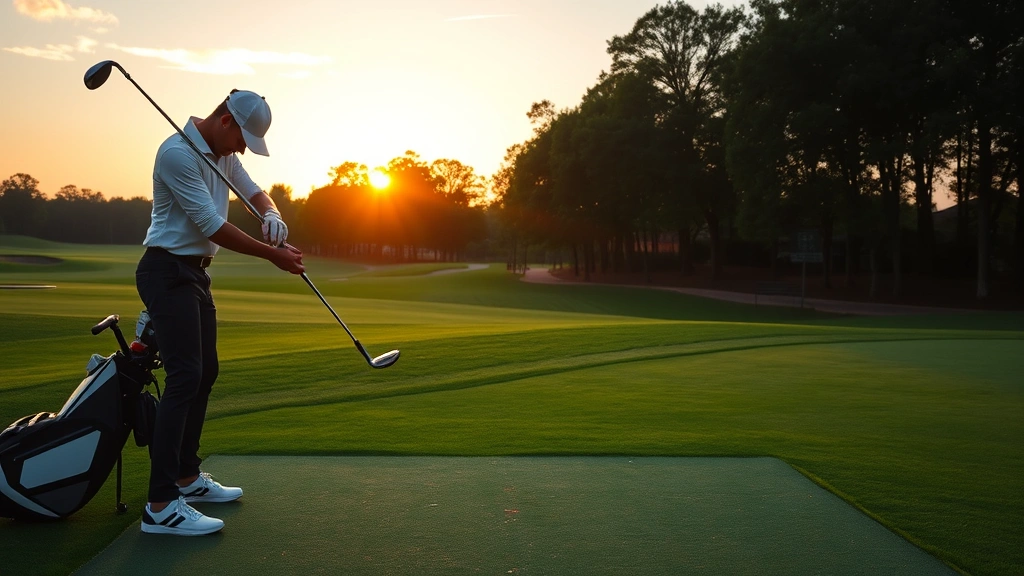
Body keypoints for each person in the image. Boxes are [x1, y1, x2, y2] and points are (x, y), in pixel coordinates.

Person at [134, 89, 304, 535]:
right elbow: (211, 225)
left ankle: (187, 478)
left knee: (205, 372)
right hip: (165, 270)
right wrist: (274, 256)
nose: (242, 149)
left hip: (192, 274)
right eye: (242, 138)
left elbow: (254, 191)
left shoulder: (222, 153)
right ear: (226, 120)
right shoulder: (177, 153)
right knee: (185, 376)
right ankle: (160, 505)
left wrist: (273, 215)